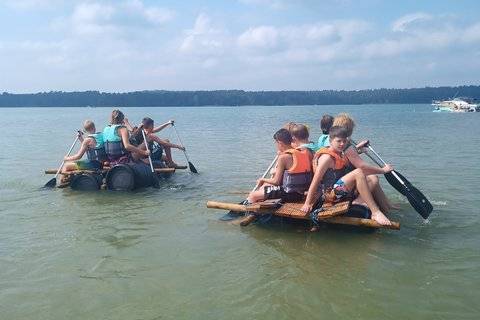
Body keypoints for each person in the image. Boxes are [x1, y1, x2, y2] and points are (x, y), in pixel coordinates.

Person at [300, 126, 392, 226]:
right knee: (359, 172)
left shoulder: (339, 153)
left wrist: (359, 150)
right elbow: (316, 180)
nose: (342, 144)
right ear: (331, 140)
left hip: (341, 190)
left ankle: (386, 209)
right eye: (338, 141)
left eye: (344, 141)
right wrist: (307, 203)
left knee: (373, 178)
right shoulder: (326, 158)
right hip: (330, 194)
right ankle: (375, 212)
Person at [332, 113, 398, 212]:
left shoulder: (334, 140)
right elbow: (362, 166)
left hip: (338, 180)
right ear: (349, 130)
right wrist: (383, 170)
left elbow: (346, 155)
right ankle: (359, 202)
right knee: (373, 178)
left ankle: (387, 205)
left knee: (372, 179)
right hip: (341, 186)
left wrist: (357, 149)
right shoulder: (346, 145)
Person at [247, 128, 313, 203]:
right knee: (265, 186)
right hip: (302, 191)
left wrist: (262, 179)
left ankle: (249, 212)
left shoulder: (283, 157)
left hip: (290, 194)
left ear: (280, 143)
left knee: (253, 195)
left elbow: (276, 182)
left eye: (276, 143)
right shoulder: (305, 152)